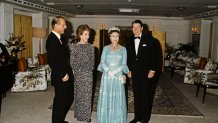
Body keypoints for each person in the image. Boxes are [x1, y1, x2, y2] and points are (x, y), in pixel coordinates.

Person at [126, 20, 162, 123]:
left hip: (147, 73)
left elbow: (156, 57)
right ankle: (137, 117)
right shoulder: (129, 40)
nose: (135, 29)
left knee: (146, 95)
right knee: (137, 95)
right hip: (135, 72)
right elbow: (129, 57)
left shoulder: (151, 40)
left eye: (138, 27)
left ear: (142, 28)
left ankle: (145, 119)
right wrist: (129, 69)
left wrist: (153, 70)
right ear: (132, 28)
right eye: (133, 27)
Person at [97, 27, 129, 123]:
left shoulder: (123, 49)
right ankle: (106, 117)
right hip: (107, 75)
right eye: (113, 36)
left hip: (118, 75)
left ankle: (117, 118)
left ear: (119, 37)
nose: (115, 38)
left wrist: (116, 71)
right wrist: (108, 71)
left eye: (117, 36)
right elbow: (102, 61)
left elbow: (124, 64)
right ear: (109, 37)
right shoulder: (105, 48)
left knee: (118, 96)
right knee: (107, 95)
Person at [46, 16, 74, 123]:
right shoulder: (51, 40)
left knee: (68, 97)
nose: (66, 27)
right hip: (60, 76)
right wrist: (63, 74)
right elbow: (52, 61)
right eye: (63, 25)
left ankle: (60, 120)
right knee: (60, 101)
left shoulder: (60, 38)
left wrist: (70, 70)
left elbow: (63, 58)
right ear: (56, 25)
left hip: (66, 73)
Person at [69, 24, 95, 122]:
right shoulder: (74, 47)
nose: (87, 37)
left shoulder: (91, 47)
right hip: (78, 74)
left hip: (88, 74)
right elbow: (72, 62)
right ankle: (79, 114)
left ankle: (86, 116)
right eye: (85, 34)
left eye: (88, 34)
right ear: (80, 35)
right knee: (79, 95)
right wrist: (77, 70)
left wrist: (87, 70)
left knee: (88, 95)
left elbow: (92, 63)